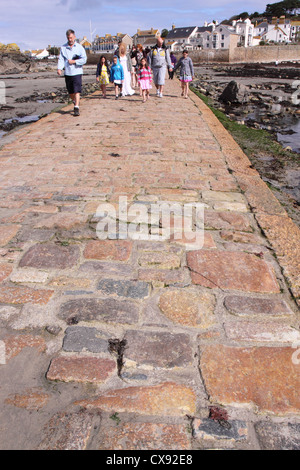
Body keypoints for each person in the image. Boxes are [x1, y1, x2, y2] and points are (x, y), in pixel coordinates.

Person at [57, 29, 87, 116]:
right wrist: (59, 68)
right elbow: (61, 59)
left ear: (74, 37)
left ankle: (76, 107)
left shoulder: (79, 48)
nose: (70, 39)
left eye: (71, 37)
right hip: (68, 72)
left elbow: (84, 59)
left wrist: (74, 62)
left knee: (77, 90)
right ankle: (74, 101)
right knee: (71, 92)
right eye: (68, 38)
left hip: (77, 72)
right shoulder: (63, 48)